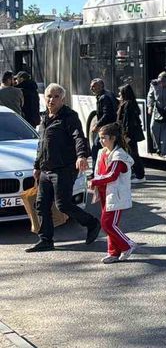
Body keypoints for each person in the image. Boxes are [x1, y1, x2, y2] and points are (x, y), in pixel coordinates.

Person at [25, 83, 101, 253]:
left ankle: (92, 223)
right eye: (49, 96)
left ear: (62, 99)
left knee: (63, 204)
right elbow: (42, 145)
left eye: (56, 97)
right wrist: (37, 166)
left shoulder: (69, 116)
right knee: (41, 204)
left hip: (64, 168)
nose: (51, 100)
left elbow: (78, 137)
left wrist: (81, 156)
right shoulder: (44, 118)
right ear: (44, 98)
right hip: (46, 169)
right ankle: (45, 240)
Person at [87, 123, 138, 264]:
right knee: (108, 224)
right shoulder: (102, 152)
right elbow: (100, 171)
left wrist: (95, 181)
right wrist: (96, 181)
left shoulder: (119, 155)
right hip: (104, 193)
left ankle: (127, 245)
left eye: (104, 138)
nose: (101, 140)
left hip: (115, 195)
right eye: (100, 137)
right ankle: (113, 252)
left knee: (108, 224)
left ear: (113, 138)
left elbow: (112, 175)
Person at [117, 84, 146, 183]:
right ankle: (134, 172)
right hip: (128, 133)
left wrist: (126, 135)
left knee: (133, 154)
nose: (119, 94)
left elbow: (127, 122)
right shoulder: (129, 103)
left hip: (129, 134)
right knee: (131, 153)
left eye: (120, 93)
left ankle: (140, 175)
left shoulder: (128, 104)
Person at [89, 78, 118, 174]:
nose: (91, 88)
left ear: (100, 86)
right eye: (91, 86)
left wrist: (97, 125)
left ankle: (95, 172)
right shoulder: (108, 94)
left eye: (94, 86)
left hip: (107, 128)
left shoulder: (104, 97)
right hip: (112, 126)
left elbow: (107, 114)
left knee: (95, 148)